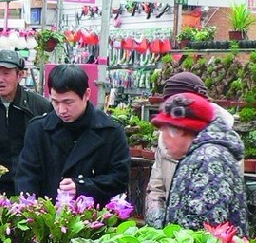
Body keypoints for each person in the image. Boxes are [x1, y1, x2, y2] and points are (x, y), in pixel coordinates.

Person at [16, 65, 130, 206]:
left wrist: (83, 187)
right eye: (55, 102)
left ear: (86, 95)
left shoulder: (110, 131)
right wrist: (32, 210)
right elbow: (26, 177)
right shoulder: (38, 129)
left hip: (95, 219)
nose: (61, 110)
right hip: (46, 218)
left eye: (68, 102)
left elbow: (120, 179)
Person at [145, 72, 238, 228]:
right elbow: (156, 186)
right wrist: (157, 217)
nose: (164, 134)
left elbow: (207, 227)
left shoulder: (212, 157)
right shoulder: (189, 147)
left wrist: (170, 235)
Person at [0, 50, 51, 196]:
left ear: (20, 75)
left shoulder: (40, 107)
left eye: (6, 74)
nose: (0, 79)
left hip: (31, 189)